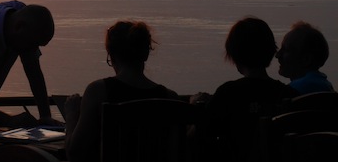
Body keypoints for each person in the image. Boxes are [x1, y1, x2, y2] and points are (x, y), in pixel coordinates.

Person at [64, 20, 178, 162]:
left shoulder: (98, 91)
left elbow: (75, 154)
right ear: (145, 54)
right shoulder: (170, 98)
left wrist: (71, 116)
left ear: (112, 56)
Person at [201, 17, 298, 162]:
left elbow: (200, 135)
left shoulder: (228, 93)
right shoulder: (288, 95)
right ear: (271, 51)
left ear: (234, 55)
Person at [276, 21, 335, 94]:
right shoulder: (325, 85)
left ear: (306, 60)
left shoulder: (297, 89)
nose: (277, 55)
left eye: (286, 50)